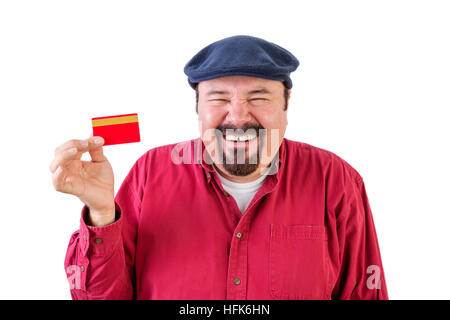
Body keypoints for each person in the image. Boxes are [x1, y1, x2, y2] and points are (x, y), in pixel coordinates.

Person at [50, 35, 388, 300]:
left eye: (258, 97)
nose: (238, 116)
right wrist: (100, 214)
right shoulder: (150, 173)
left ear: (286, 107)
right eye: (219, 98)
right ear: (198, 109)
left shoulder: (336, 180)